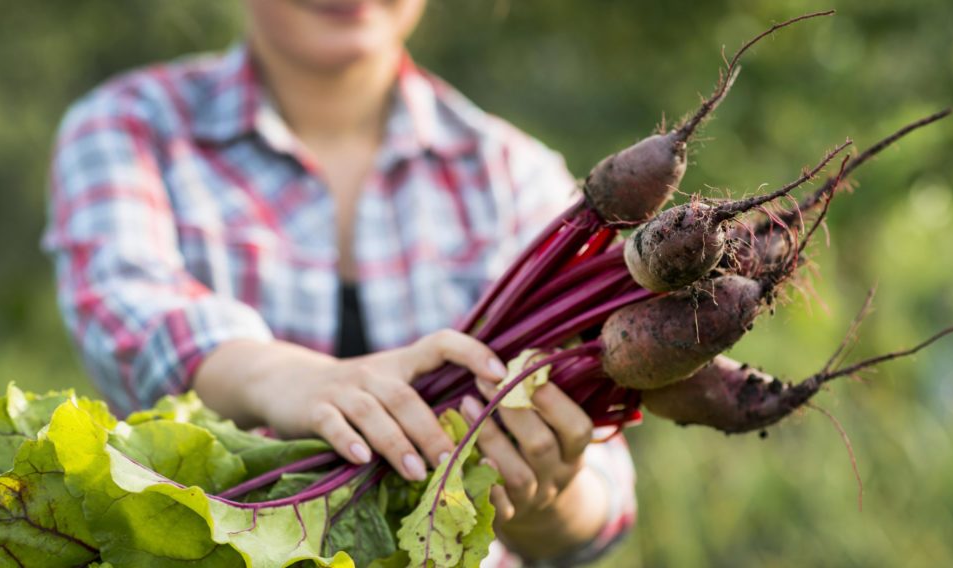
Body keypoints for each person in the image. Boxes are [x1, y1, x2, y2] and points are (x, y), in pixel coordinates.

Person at [44, 1, 635, 565]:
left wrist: (542, 504)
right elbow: (127, 303)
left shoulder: (514, 175)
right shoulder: (128, 126)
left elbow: (601, 503)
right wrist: (291, 379)